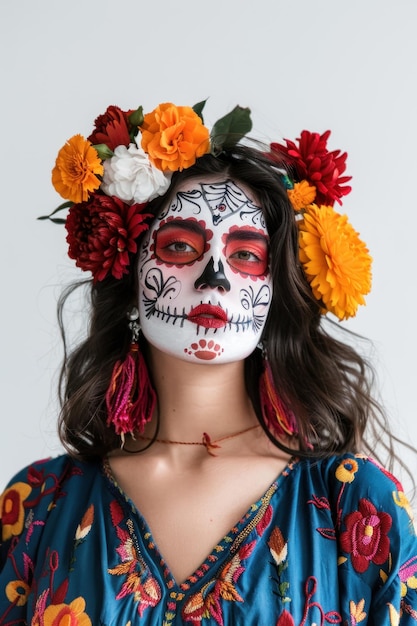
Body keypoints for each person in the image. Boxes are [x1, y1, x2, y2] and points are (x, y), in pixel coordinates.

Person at [0, 100, 416, 625]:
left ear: (277, 290)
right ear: (129, 276)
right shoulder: (35, 508)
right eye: (179, 246)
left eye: (245, 254)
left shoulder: (356, 508)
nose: (214, 276)